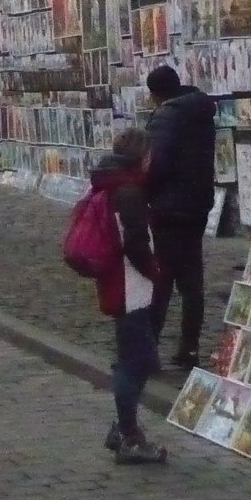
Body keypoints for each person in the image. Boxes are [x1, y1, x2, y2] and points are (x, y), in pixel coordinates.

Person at [91, 128, 166, 465]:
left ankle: (124, 427)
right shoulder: (129, 191)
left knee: (135, 356)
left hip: (121, 283)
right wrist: (155, 271)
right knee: (135, 361)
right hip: (129, 285)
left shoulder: (113, 183)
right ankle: (128, 433)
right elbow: (135, 243)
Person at [143, 65, 216, 371]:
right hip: (197, 205)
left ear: (155, 92)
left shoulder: (167, 116)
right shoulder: (201, 110)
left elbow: (157, 163)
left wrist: (145, 193)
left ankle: (147, 350)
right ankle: (189, 347)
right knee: (191, 282)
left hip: (169, 208)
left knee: (160, 280)